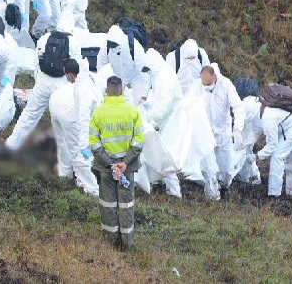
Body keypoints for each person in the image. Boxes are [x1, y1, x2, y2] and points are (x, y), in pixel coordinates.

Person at [89, 76, 145, 250]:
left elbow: (94, 144)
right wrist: (125, 163)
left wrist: (110, 164)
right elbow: (139, 141)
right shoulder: (133, 111)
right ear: (122, 91)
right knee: (126, 205)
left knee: (108, 204)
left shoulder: (98, 113)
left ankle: (111, 243)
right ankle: (126, 245)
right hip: (126, 169)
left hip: (106, 169)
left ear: (107, 91)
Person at [5, 31, 81, 150]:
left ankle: (11, 145)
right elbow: (76, 68)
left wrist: (38, 80)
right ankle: (68, 154)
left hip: (43, 81)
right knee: (66, 119)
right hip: (62, 83)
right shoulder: (74, 42)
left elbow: (37, 62)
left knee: (30, 114)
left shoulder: (45, 38)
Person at [49, 58, 101, 196]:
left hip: (72, 119)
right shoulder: (87, 79)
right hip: (69, 114)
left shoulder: (83, 88)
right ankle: (73, 179)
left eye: (66, 75)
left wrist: (83, 145)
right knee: (72, 151)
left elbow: (83, 118)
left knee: (78, 155)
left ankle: (91, 190)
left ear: (70, 74)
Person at [137, 49, 183, 198]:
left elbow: (163, 107)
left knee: (164, 156)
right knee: (161, 155)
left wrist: (150, 118)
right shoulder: (160, 74)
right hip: (165, 121)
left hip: (169, 122)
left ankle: (174, 192)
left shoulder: (165, 77)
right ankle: (167, 188)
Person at [194, 65, 244, 200]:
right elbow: (188, 104)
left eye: (208, 84)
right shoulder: (197, 86)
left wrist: (238, 129)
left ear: (215, 78)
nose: (206, 87)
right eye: (204, 84)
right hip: (205, 133)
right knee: (209, 169)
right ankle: (212, 199)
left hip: (223, 133)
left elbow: (238, 107)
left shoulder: (226, 85)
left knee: (226, 169)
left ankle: (224, 187)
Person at [257, 93, 292, 198]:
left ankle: (274, 194)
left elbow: (272, 146)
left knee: (277, 156)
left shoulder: (267, 119)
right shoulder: (266, 108)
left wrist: (258, 156)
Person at [105, 25, 147, 103]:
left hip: (136, 76)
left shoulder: (134, 46)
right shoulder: (107, 46)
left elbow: (143, 69)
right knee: (114, 102)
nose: (112, 46)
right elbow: (101, 63)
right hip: (118, 76)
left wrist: (144, 92)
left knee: (140, 102)